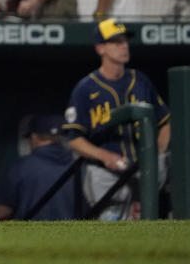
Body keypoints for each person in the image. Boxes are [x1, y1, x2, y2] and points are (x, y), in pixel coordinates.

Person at [63, 19, 171, 221]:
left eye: (125, 40)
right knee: (111, 228)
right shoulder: (85, 89)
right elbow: (74, 138)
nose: (124, 45)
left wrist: (157, 152)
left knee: (146, 227)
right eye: (116, 41)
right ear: (100, 48)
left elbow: (165, 121)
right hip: (106, 172)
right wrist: (104, 156)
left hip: (143, 169)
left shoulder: (140, 80)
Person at [0, 115, 75, 221]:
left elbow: (2, 212)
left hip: (31, 235)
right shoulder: (78, 166)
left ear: (34, 137)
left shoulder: (21, 167)